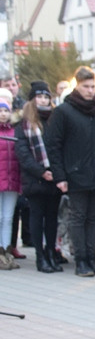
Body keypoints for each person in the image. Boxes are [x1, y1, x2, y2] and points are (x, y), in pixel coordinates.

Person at [46, 66, 95, 277]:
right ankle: (81, 260)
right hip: (75, 173)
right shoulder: (64, 111)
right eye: (86, 86)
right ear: (77, 86)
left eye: (93, 86)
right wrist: (60, 176)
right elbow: (53, 145)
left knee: (93, 218)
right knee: (78, 217)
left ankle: (91, 257)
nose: (90, 90)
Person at [14, 81, 63, 273]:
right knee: (36, 217)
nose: (43, 100)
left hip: (54, 177)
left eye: (46, 97)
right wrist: (41, 172)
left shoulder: (55, 119)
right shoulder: (24, 124)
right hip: (35, 178)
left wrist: (56, 173)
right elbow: (23, 153)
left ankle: (51, 252)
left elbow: (58, 146)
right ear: (32, 99)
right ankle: (40, 256)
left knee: (52, 218)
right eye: (39, 96)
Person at [0, 94, 20, 269]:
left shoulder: (15, 132)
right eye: (0, 111)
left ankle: (7, 249)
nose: (3, 114)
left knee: (8, 218)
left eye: (6, 110)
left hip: (12, 180)